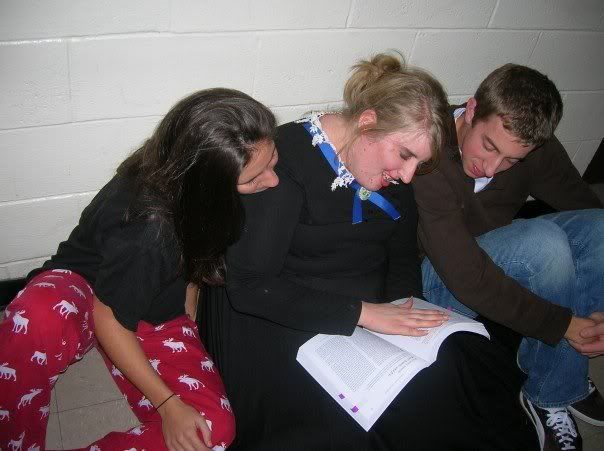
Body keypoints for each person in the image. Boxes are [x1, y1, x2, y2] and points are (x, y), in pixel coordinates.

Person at [200, 54, 535, 450]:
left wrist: (405, 310)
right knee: (344, 428)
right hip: (279, 315)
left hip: (364, 313)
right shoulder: (285, 162)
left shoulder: (394, 173)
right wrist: (365, 314)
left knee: (464, 366)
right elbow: (251, 287)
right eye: (405, 156)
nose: (408, 175)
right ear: (367, 122)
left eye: (419, 163)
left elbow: (402, 255)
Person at [0, 88, 278, 451]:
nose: (272, 180)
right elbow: (109, 317)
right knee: (35, 320)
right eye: (254, 178)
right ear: (205, 188)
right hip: (88, 291)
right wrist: (167, 402)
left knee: (212, 432)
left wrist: (188, 322)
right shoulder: (151, 229)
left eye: (273, 159)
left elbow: (195, 264)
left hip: (151, 308)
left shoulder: (184, 169)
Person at [412, 64, 604, 451]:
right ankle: (552, 393)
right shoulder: (427, 146)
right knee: (544, 244)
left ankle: (559, 371)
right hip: (439, 278)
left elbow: (583, 207)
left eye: (512, 161)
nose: (493, 167)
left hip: (501, 253)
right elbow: (466, 276)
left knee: (599, 228)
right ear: (471, 109)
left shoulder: (532, 146)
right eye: (489, 146)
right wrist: (563, 324)